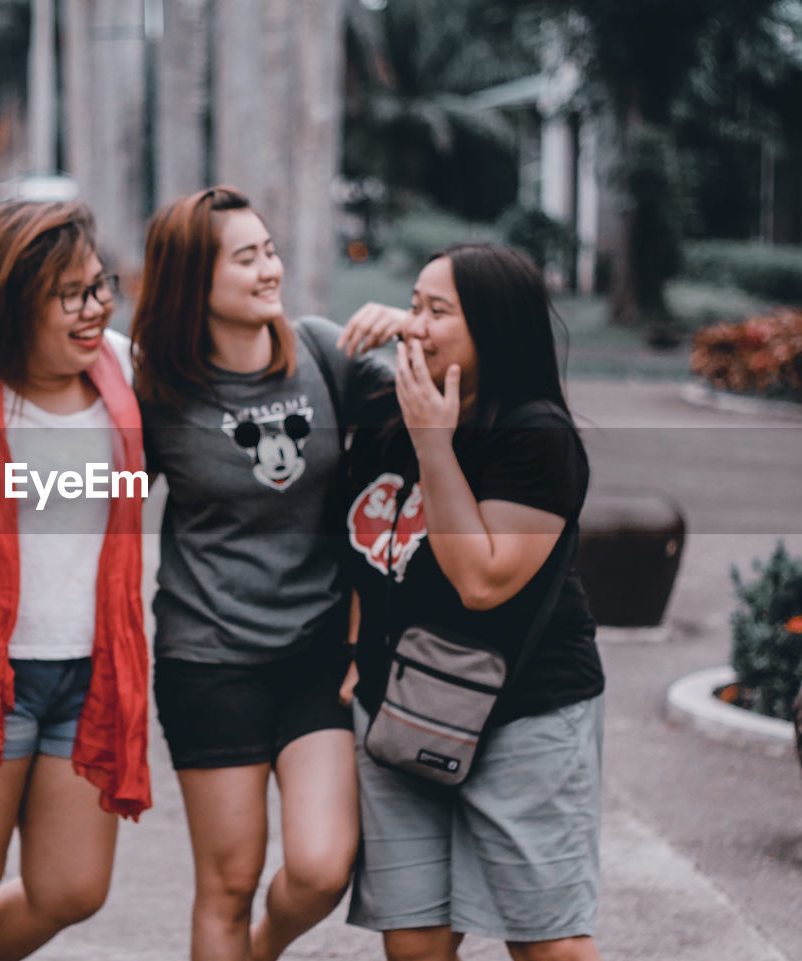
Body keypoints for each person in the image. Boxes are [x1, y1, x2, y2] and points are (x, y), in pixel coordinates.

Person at [130, 185, 397, 961]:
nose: (268, 268)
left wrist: (413, 325)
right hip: (209, 660)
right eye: (246, 258)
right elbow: (100, 491)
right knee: (229, 879)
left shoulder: (323, 352)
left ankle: (255, 950)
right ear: (192, 279)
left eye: (269, 250)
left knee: (321, 866)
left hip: (317, 654)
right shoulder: (160, 391)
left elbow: (437, 400)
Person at [342, 242, 605, 961]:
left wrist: (435, 444)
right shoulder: (388, 401)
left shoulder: (535, 433)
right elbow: (368, 542)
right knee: (416, 940)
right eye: (413, 304)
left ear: (495, 328)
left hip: (525, 712)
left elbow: (482, 578)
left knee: (546, 941)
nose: (414, 325)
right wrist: (353, 644)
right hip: (400, 707)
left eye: (438, 311)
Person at [0, 200, 151, 961]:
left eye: (99, 284)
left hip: (92, 668)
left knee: (72, 887)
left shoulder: (124, 365)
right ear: (18, 300)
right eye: (69, 293)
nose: (95, 307)